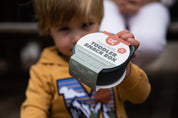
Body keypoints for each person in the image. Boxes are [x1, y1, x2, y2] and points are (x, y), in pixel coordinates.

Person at [21, 0, 151, 118]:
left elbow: (140, 96)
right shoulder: (43, 70)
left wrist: (125, 70)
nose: (78, 38)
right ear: (49, 30)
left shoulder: (110, 64)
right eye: (64, 29)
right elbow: (34, 108)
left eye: (86, 25)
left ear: (100, 22)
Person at [100, 0, 170, 67]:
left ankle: (131, 73)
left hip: (151, 3)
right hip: (108, 2)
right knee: (108, 42)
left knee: (149, 43)